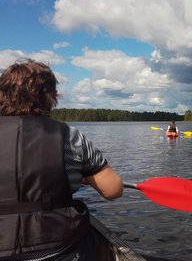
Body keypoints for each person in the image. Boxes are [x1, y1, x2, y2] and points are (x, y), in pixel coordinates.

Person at [0, 59, 123, 260]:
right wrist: (83, 175)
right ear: (51, 97)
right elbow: (113, 190)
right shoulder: (70, 137)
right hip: (60, 251)